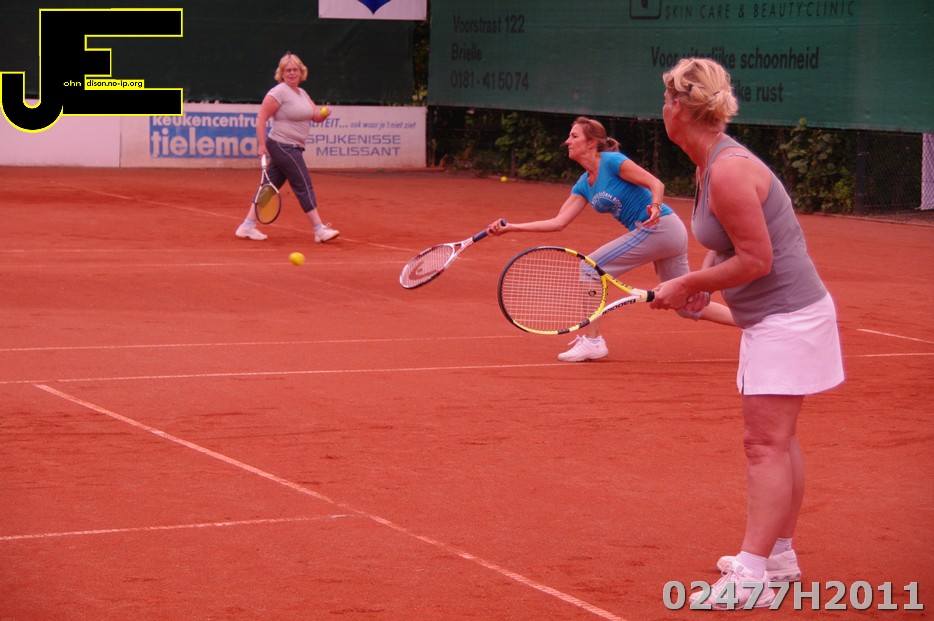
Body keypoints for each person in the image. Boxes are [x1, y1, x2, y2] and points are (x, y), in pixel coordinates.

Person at [651, 57, 845, 609]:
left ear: (679, 108)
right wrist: (703, 283)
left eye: (665, 100)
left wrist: (687, 282)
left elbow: (758, 259)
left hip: (788, 317)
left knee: (763, 445)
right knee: (778, 441)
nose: (662, 109)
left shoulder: (729, 170)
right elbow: (727, 241)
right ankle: (778, 558)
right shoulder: (708, 163)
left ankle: (752, 575)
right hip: (777, 317)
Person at [487, 116, 734, 362]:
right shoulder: (584, 184)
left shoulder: (612, 162)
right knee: (686, 305)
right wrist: (512, 228)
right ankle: (752, 321)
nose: (567, 141)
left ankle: (593, 341)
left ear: (591, 142)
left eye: (574, 136)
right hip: (662, 234)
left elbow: (655, 183)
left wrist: (656, 207)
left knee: (589, 268)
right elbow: (558, 222)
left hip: (661, 228)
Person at [235, 52, 339, 243]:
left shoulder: (302, 94)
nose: (292, 73)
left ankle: (247, 225)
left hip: (294, 147)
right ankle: (319, 229)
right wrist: (261, 145)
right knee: (303, 183)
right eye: (288, 70)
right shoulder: (278, 92)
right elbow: (261, 118)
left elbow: (315, 116)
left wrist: (325, 113)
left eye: (295, 70)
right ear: (282, 73)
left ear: (301, 72)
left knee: (269, 187)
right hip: (282, 145)